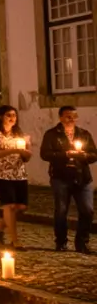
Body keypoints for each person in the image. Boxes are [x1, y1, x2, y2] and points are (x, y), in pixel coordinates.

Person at [40, 106, 96, 253]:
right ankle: (61, 242)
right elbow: (45, 154)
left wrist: (84, 156)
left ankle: (82, 243)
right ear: (60, 117)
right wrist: (65, 154)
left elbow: (94, 154)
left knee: (87, 210)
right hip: (61, 177)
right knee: (61, 211)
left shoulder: (83, 134)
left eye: (74, 116)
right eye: (68, 116)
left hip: (82, 177)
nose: (71, 119)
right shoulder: (52, 134)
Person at [0, 105, 31, 249]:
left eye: (14, 115)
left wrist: (25, 152)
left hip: (18, 174)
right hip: (0, 173)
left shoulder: (19, 134)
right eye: (9, 115)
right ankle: (15, 240)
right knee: (10, 206)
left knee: (21, 206)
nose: (12, 118)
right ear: (0, 117)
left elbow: (26, 156)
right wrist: (13, 150)